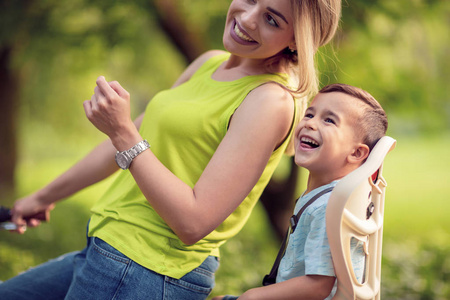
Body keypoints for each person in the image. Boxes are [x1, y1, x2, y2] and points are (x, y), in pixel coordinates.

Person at [0, 1, 342, 299]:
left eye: (272, 20)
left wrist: (122, 132)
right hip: (107, 246)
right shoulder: (210, 63)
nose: (248, 18)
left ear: (298, 39)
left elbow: (193, 222)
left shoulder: (270, 101)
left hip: (146, 270)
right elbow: (130, 139)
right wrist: (43, 196)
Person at [213, 83, 389, 300]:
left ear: (356, 153)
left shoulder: (327, 207)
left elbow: (318, 286)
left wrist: (252, 296)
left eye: (329, 120)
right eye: (309, 114)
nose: (310, 124)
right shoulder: (330, 197)